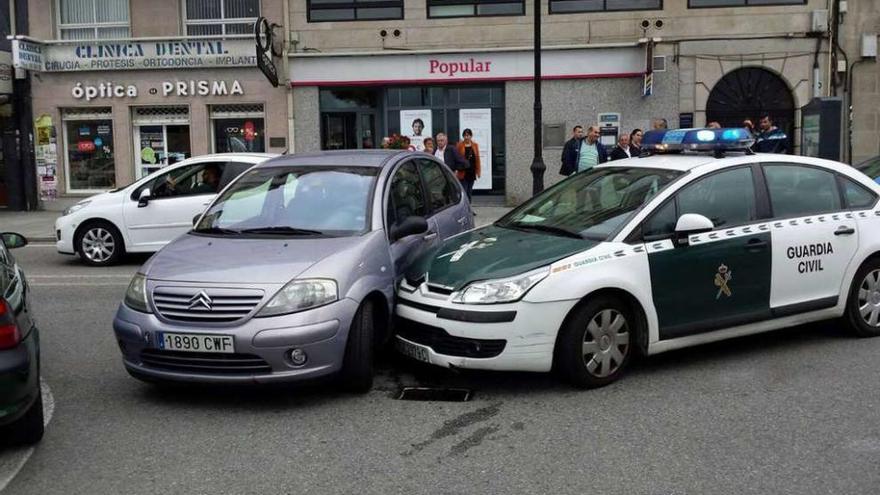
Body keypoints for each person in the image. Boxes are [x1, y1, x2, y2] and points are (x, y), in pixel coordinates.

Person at [456, 129, 481, 201]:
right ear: (463, 136)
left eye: (468, 135)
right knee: (464, 191)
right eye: (465, 135)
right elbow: (457, 158)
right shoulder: (460, 145)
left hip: (472, 171)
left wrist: (478, 171)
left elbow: (477, 159)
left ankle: (469, 206)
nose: (466, 137)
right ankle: (465, 207)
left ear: (471, 136)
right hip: (463, 172)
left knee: (469, 191)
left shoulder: (475, 145)